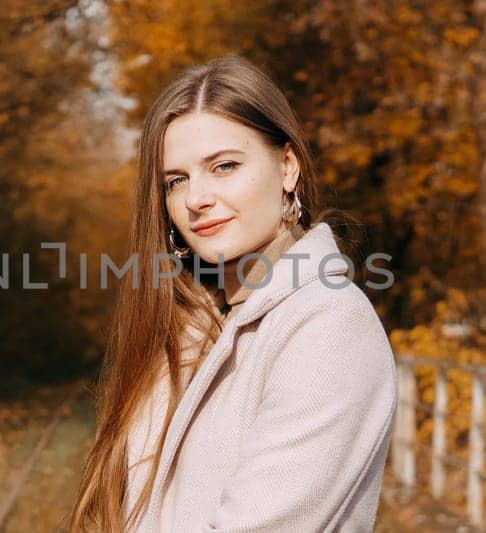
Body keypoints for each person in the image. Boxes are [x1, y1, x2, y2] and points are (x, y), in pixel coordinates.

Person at [70, 55, 397, 532]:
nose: (195, 198)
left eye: (223, 166)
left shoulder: (328, 328)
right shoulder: (186, 328)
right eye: (176, 181)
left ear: (287, 168)